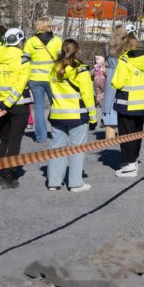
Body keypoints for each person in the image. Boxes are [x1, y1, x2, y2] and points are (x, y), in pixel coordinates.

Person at [46, 39, 96, 192]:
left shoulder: (54, 68)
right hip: (77, 115)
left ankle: (53, 182)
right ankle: (75, 183)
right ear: (77, 51)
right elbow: (87, 95)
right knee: (76, 149)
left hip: (57, 114)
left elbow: (51, 91)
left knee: (57, 148)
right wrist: (93, 117)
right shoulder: (80, 70)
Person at [0, 28, 32, 188]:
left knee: (3, 139)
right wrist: (7, 104)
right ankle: (8, 175)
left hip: (0, 106)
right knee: (14, 141)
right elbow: (19, 86)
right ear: (20, 42)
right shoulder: (24, 60)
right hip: (18, 105)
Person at [111, 33, 144, 178]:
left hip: (127, 101)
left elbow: (117, 82)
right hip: (142, 101)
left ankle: (129, 163)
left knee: (125, 133)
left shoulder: (124, 60)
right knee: (138, 131)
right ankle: (134, 159)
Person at [24, 17, 62, 143]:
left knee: (39, 108)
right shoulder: (57, 41)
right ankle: (58, 134)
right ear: (48, 26)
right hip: (52, 79)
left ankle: (41, 136)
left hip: (35, 79)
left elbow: (24, 61)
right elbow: (62, 60)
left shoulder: (30, 42)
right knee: (56, 105)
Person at [101, 24, 132, 141]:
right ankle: (122, 135)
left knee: (109, 104)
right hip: (123, 74)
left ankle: (109, 137)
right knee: (123, 101)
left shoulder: (108, 46)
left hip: (111, 75)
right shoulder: (126, 47)